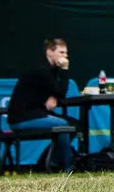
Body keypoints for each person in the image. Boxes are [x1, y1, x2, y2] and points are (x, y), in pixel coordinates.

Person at [7, 37, 75, 173]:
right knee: (63, 125)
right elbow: (61, 91)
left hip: (37, 113)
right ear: (50, 52)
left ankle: (51, 162)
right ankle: (68, 167)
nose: (65, 56)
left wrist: (54, 96)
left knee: (75, 125)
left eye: (66, 53)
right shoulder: (41, 69)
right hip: (23, 118)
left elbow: (56, 92)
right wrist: (65, 69)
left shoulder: (52, 70)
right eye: (61, 52)